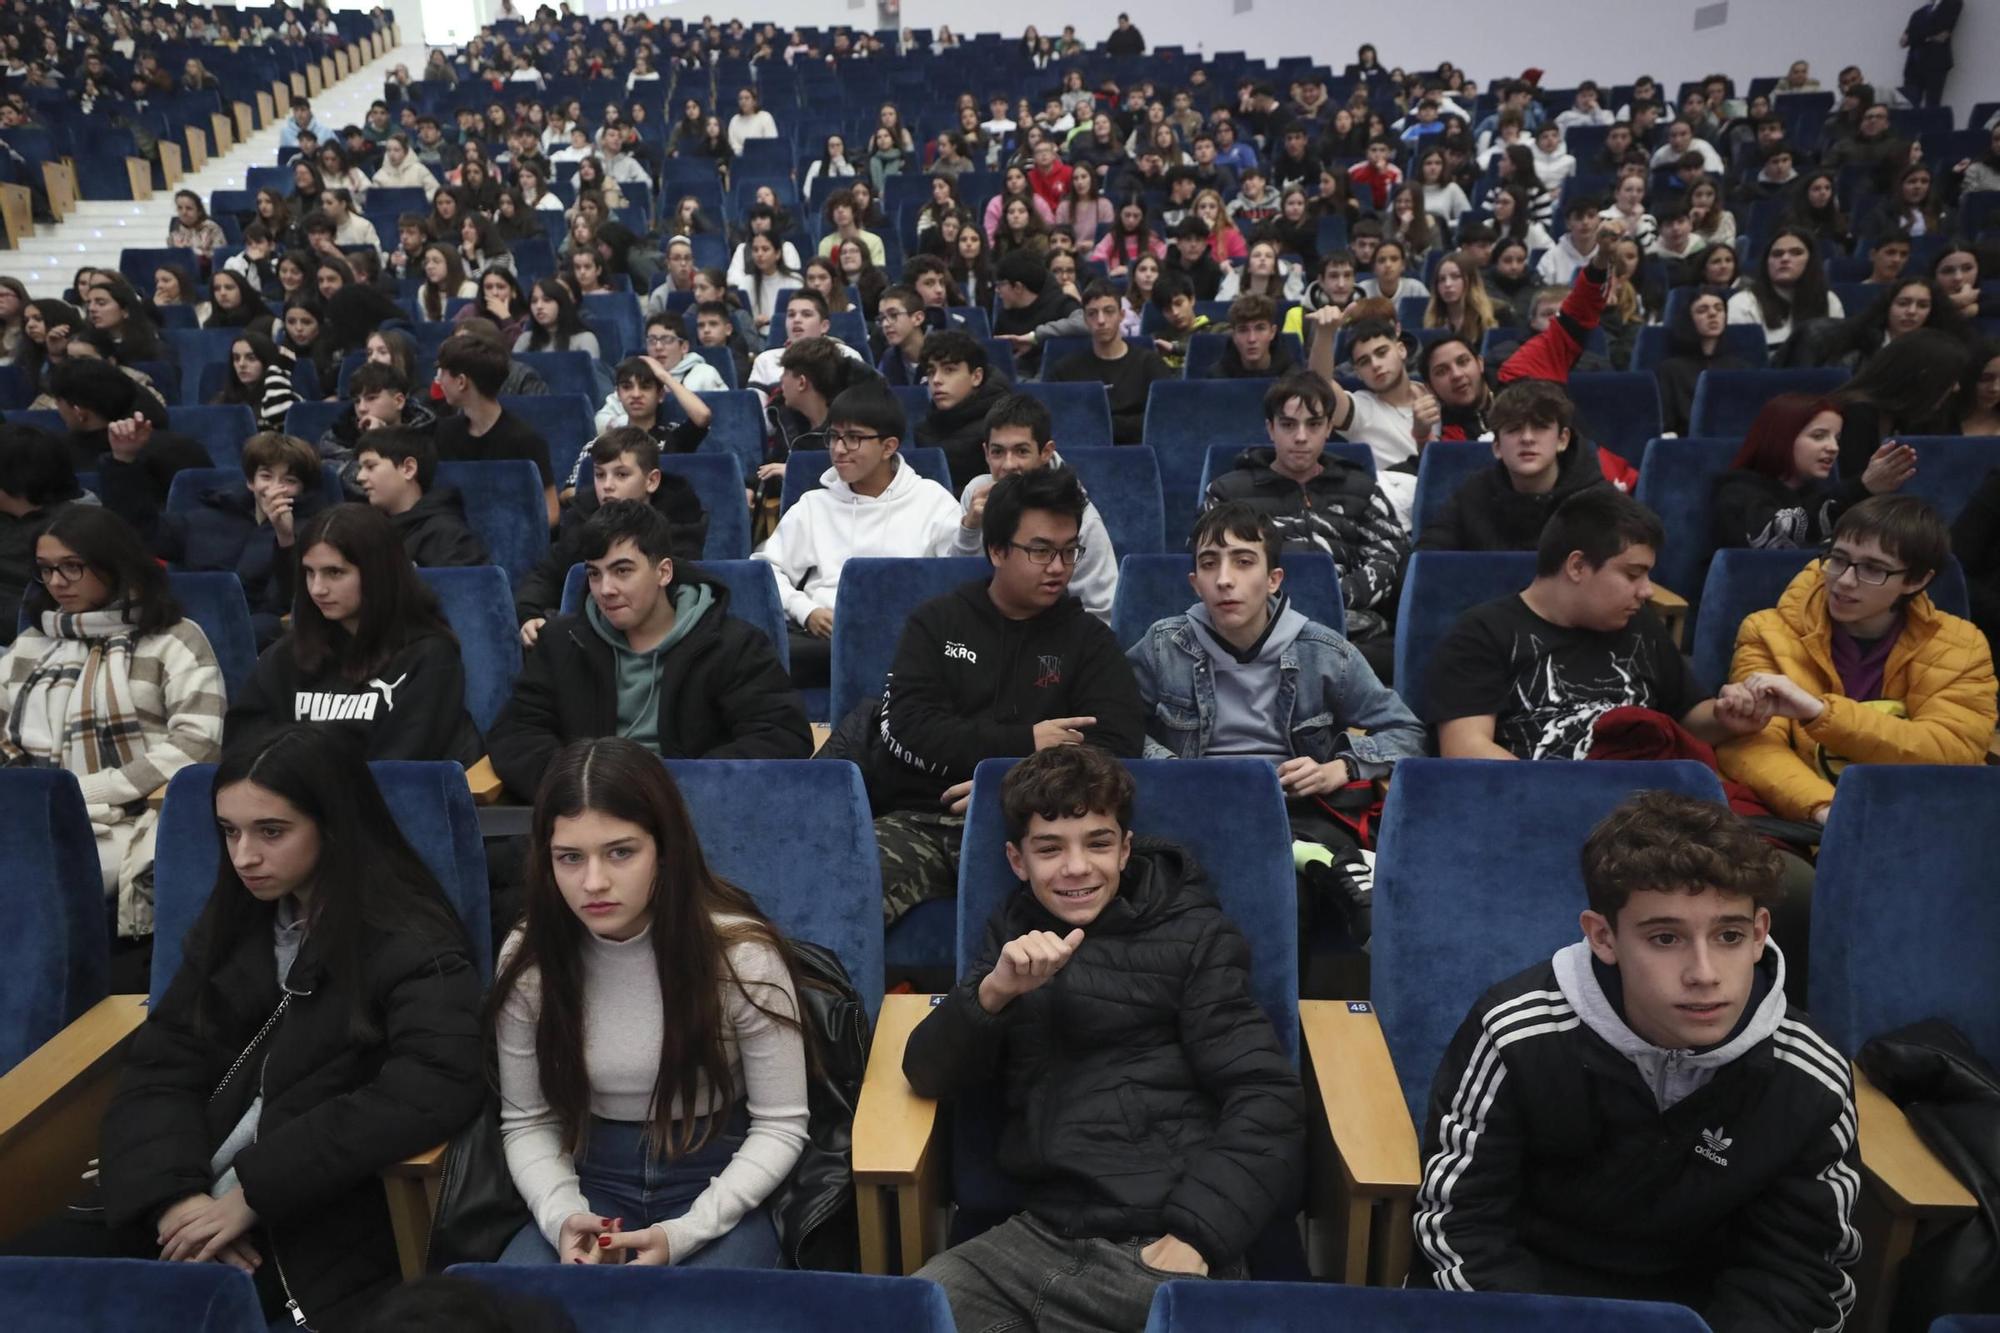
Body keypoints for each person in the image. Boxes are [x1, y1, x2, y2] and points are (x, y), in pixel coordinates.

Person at [15, 723, 484, 1330]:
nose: (244, 857)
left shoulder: (413, 940)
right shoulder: (236, 922)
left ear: (335, 827)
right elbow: (161, 1069)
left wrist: (250, 1200)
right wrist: (173, 1202)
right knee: (23, 1279)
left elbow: (429, 1088)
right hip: (175, 1200)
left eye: (271, 832)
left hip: (305, 1225)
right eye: (229, 832)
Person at [1413, 789, 1860, 1330]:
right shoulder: (1516, 1031)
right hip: (1527, 1301)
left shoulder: (1809, 1073)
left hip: (1703, 1312)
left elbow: (1801, 1275)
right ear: (1604, 937)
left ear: (1761, 933)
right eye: (1666, 937)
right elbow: (1461, 1224)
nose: (1704, 973)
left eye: (1729, 936)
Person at [905, 743, 1303, 1328]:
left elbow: (1267, 1097)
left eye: (1097, 843)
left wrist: (1193, 1238)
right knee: (908, 1315)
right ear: (1018, 861)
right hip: (1032, 1237)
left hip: (1157, 1242)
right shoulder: (1012, 933)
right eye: (1050, 849)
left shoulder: (1196, 937)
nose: (1076, 868)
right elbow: (928, 1073)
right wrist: (993, 994)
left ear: (1125, 849)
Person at [490, 734, 808, 1270]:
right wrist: (562, 1215)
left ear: (663, 851)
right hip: (586, 1176)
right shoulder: (529, 958)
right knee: (515, 1311)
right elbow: (527, 1121)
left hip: (715, 1176)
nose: (594, 882)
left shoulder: (742, 957)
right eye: (570, 858)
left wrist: (685, 1233)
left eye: (621, 852)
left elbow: (781, 1125)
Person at [1129, 500, 1422, 919]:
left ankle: (1308, 859)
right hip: (1196, 809)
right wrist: (1176, 770)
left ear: (1273, 579)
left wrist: (1341, 768)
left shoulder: (1323, 651)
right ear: (1195, 583)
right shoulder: (1163, 645)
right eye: (1210, 564)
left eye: (1244, 562)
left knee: (1288, 900)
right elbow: (1116, 728)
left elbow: (1408, 732)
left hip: (1290, 811)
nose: (1225, 580)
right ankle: (1308, 857)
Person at [0, 505, 224, 939]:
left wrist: (89, 792)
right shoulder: (32, 643)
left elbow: (198, 745)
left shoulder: (176, 639)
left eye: (72, 567)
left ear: (113, 564)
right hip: (32, 812)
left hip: (134, 816)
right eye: (46, 570)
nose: (57, 583)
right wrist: (33, 795)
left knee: (35, 881)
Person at [489, 502, 808, 800]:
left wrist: (677, 785)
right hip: (586, 811)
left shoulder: (731, 644)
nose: (605, 589)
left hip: (693, 815)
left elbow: (781, 733)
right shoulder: (563, 642)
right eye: (594, 573)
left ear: (663, 572)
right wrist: (582, 783)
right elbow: (516, 733)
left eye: (622, 570)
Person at [1429, 489, 1773, 761]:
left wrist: (1725, 718)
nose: (1647, 590)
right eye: (1632, 574)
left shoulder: (1640, 625)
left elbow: (1687, 717)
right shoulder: (1482, 634)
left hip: (1653, 815)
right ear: (1577, 566)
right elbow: (1466, 750)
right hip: (1538, 813)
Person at [1720, 495, 1996, 824]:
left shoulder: (1962, 645)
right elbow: (1754, 747)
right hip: (1808, 816)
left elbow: (1951, 751)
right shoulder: (1768, 631)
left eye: (1872, 569)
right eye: (1838, 559)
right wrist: (1827, 808)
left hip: (1923, 813)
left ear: (1917, 580)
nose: (1845, 581)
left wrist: (1820, 713)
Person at [224, 503, 483, 764]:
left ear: (377, 573)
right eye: (309, 572)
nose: (317, 589)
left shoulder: (429, 657)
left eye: (334, 572)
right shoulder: (286, 655)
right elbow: (242, 745)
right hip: (285, 801)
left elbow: (401, 764)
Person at [755, 381, 960, 688]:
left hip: (905, 640)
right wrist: (806, 610)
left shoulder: (933, 501)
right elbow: (765, 569)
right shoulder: (815, 504)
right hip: (825, 641)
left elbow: (957, 576)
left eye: (853, 439)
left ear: (889, 446)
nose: (838, 449)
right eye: (834, 436)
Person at [926, 393, 1118, 624]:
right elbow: (957, 584)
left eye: (1021, 451)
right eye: (998, 452)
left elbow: (1101, 612)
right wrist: (970, 529)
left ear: (1045, 453)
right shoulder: (976, 494)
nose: (1008, 465)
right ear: (986, 452)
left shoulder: (1081, 518)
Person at [126, 430, 326, 648]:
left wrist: (284, 537)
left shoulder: (316, 529)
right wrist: (123, 464)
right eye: (266, 476)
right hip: (193, 621)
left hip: (260, 634)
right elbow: (142, 531)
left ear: (302, 489)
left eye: (289, 480)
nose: (275, 488)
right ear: (251, 482)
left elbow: (294, 598)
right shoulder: (205, 518)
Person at [519, 429, 710, 637]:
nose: (607, 486)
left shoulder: (680, 523)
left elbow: (676, 596)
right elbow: (547, 575)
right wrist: (531, 614)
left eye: (621, 474)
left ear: (652, 481)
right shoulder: (582, 517)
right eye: (600, 475)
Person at [1419, 380, 1613, 552]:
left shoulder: (1600, 502)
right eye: (1514, 429)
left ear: (1562, 440)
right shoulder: (1472, 496)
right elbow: (1426, 558)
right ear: (1497, 447)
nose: (1527, 438)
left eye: (1540, 427)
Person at [1712, 395, 1915, 552]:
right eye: (1819, 436)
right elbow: (1777, 536)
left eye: (1837, 439)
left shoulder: (1814, 492)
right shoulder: (1736, 492)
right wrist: (1861, 487)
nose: (1833, 447)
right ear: (1782, 438)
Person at [432, 332, 558, 527]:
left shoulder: (526, 440)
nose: (439, 381)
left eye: (443, 373)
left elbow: (550, 512)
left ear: (461, 382)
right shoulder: (442, 433)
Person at [1045, 281, 1173, 446]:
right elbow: (1060, 424)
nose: (1101, 320)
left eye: (1108, 311)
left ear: (1122, 315)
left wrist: (1099, 423)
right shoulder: (1064, 370)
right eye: (1092, 313)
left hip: (1139, 452)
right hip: (1085, 454)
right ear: (1084, 319)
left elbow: (1162, 419)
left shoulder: (1150, 363)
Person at [353, 427, 491, 567]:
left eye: (370, 467)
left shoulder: (448, 536)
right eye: (360, 469)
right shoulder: (371, 532)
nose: (360, 477)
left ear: (408, 469)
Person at [913, 330, 1017, 488]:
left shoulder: (1004, 424)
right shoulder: (924, 430)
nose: (936, 380)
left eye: (949, 370)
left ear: (976, 377)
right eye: (931, 372)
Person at [1728, 229, 1844, 360]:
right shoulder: (1743, 303)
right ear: (1767, 263)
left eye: (1796, 253)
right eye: (1777, 254)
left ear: (1811, 261)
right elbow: (1744, 365)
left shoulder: (1830, 300)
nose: (1785, 259)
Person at [1901, 0, 1961, 108]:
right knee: (1908, 104)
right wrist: (1928, 37)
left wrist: (1915, 37)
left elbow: (1943, 34)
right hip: (1914, 64)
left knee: (1932, 104)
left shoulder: (1952, 4)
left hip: (1935, 63)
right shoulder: (1919, 13)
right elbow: (1903, 41)